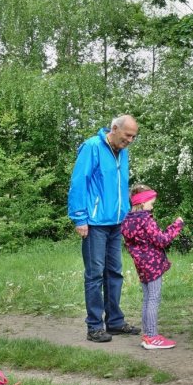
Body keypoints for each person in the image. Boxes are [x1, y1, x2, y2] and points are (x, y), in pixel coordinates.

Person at [68, 114, 141, 343]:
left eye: (133, 137)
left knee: (115, 273)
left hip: (116, 222)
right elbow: (79, 182)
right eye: (127, 135)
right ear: (114, 129)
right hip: (95, 223)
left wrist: (128, 212)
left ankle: (115, 322)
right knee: (95, 274)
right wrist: (80, 217)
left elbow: (121, 186)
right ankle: (94, 326)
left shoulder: (124, 152)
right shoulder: (92, 147)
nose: (130, 140)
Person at [121, 184, 185, 350]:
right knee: (154, 298)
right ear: (142, 203)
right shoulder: (145, 219)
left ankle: (147, 335)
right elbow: (161, 240)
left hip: (140, 265)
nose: (152, 205)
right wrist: (176, 225)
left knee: (147, 298)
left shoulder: (127, 220)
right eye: (151, 202)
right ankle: (152, 337)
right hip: (153, 264)